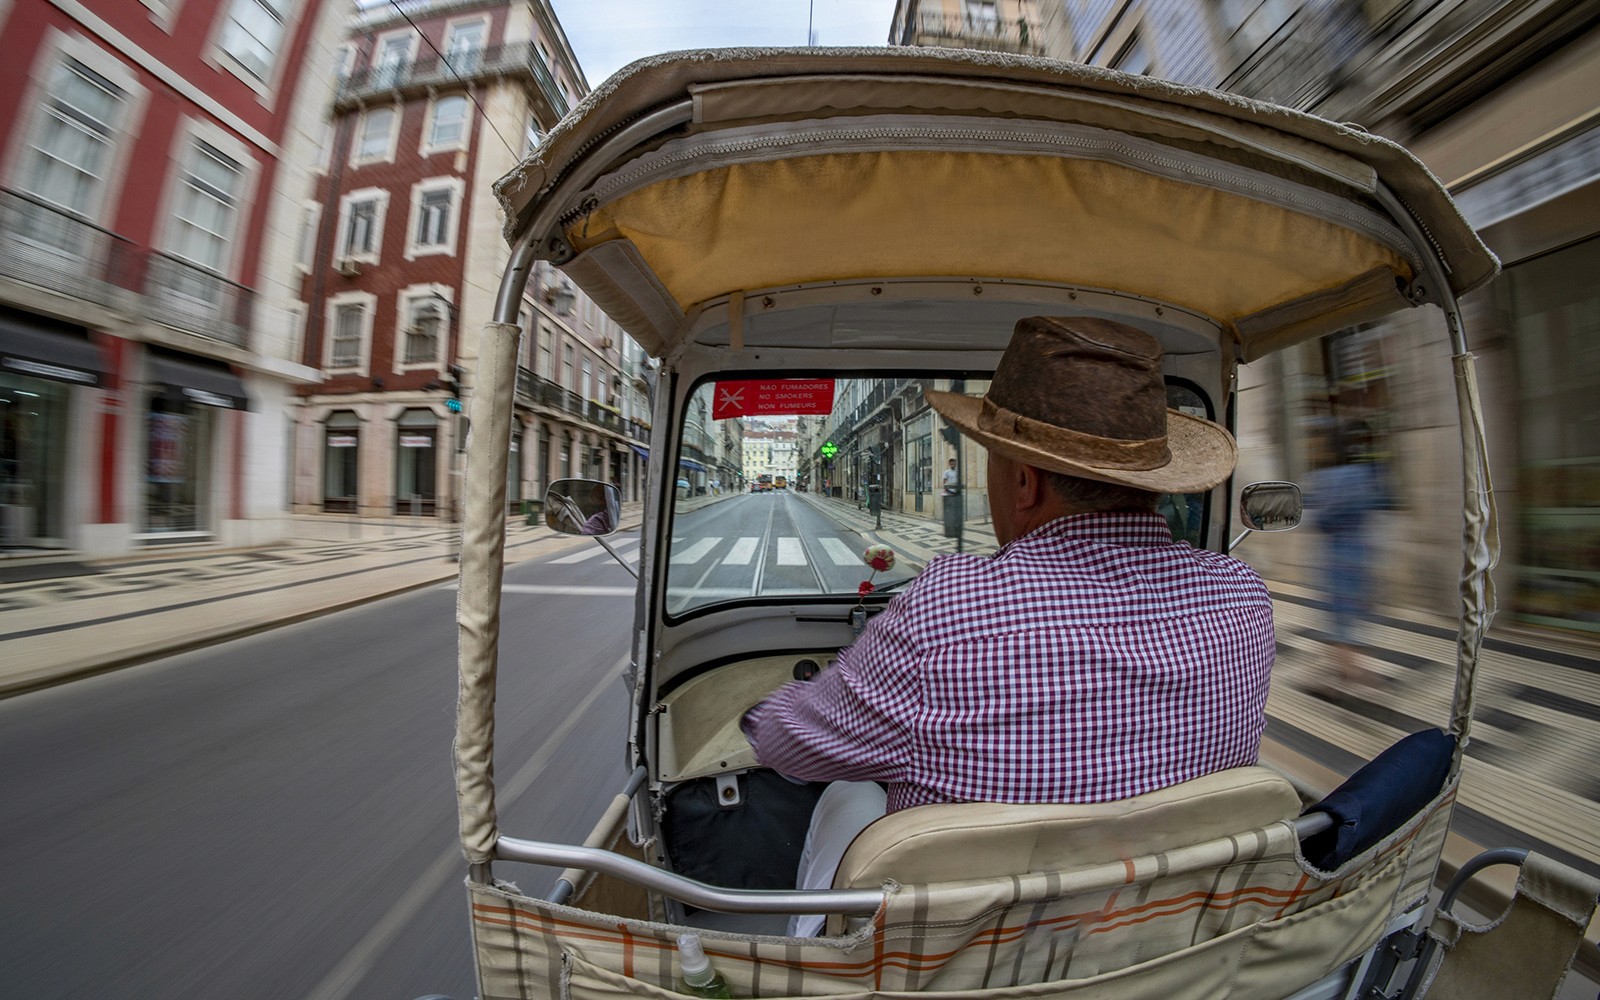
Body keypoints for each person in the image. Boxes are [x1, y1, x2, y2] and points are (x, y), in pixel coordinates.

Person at [740, 316, 1275, 935]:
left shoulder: (948, 608)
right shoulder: (1243, 597)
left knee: (846, 794)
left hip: (973, 956)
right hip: (1165, 940)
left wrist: (759, 713)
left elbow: (788, 745)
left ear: (1024, 480)